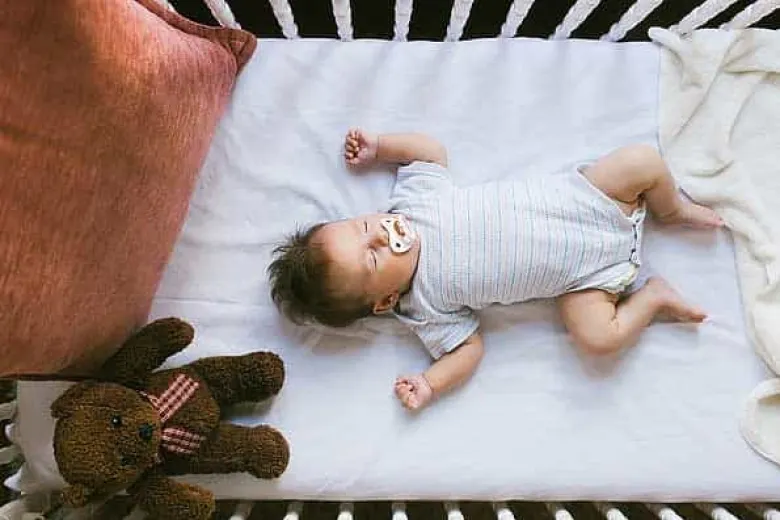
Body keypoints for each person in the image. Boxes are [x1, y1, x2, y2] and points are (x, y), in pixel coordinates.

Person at [268, 129, 723, 411]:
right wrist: (430, 384)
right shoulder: (422, 306)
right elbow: (468, 351)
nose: (382, 235)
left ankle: (672, 210)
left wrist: (380, 148)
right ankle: (653, 296)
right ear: (385, 300)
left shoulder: (412, 201)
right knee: (598, 339)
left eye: (364, 226)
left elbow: (430, 153)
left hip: (588, 200)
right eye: (373, 257)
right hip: (585, 278)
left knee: (641, 160)